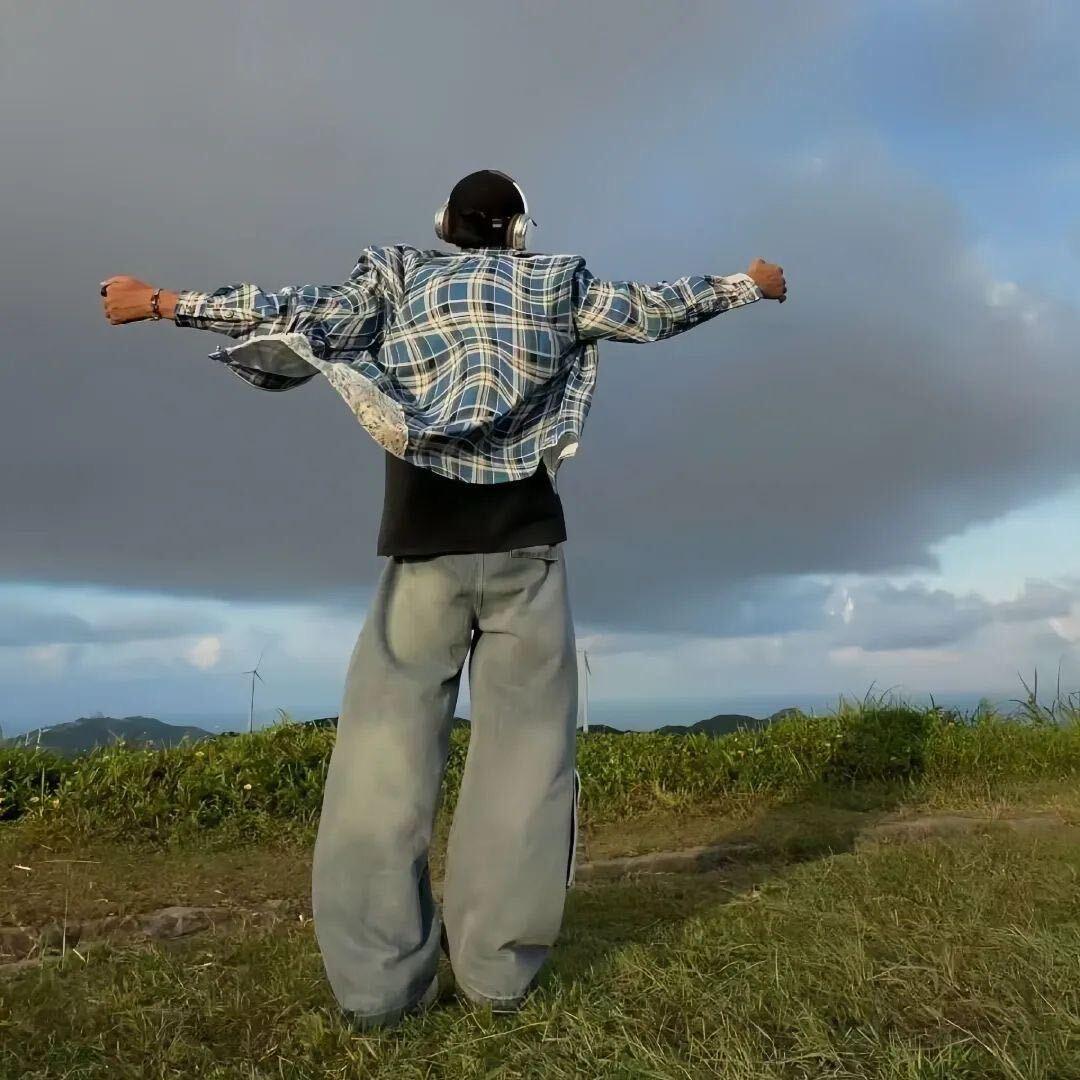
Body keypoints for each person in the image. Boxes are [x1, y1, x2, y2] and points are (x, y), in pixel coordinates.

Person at [99, 168, 787, 1031]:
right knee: (526, 773)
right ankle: (499, 980)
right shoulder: (556, 280)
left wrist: (162, 301)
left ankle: (380, 992)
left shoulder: (396, 278)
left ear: (444, 224)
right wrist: (746, 286)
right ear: (518, 232)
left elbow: (294, 311)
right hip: (527, 552)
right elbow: (654, 309)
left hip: (421, 555)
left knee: (380, 772)